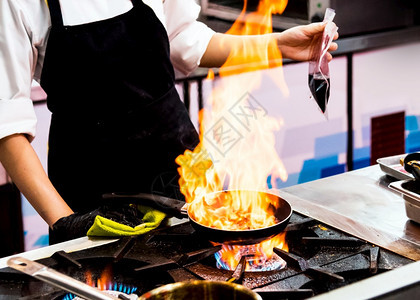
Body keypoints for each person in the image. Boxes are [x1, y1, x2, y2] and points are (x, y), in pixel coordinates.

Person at [0, 0, 338, 243]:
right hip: (91, 193)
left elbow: (185, 39)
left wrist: (276, 44)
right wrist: (66, 221)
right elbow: (7, 122)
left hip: (179, 174)